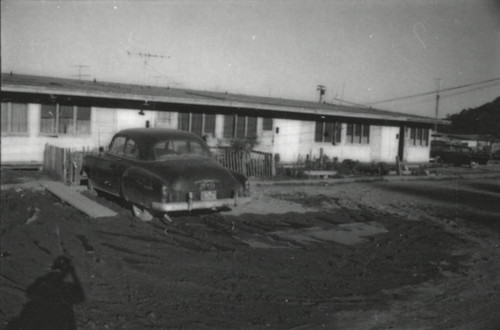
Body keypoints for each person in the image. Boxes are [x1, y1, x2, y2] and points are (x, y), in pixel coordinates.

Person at [7, 256, 85, 330]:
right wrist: (72, 273)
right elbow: (80, 297)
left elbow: (29, 293)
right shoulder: (61, 293)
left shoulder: (42, 287)